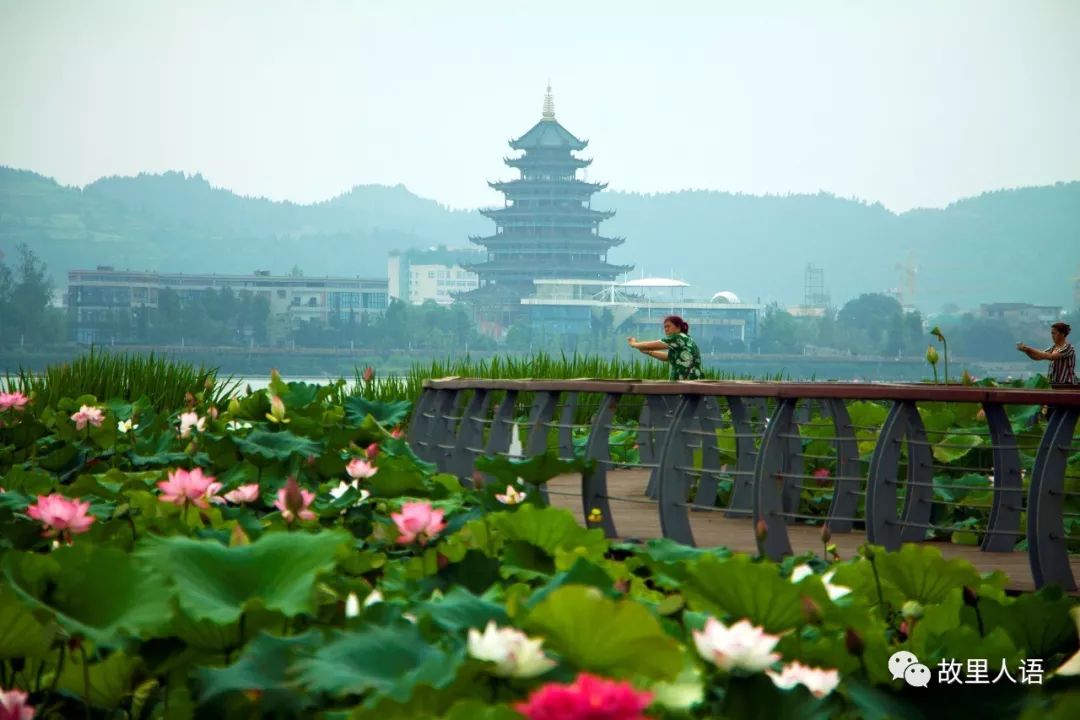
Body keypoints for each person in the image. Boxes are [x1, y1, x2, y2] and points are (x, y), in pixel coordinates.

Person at [627, 315, 703, 380]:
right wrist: (649, 352)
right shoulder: (686, 338)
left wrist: (633, 344)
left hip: (687, 381)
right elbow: (668, 357)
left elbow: (650, 345)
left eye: (668, 326)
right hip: (692, 380)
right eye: (665, 327)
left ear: (678, 327)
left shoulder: (677, 338)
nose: (666, 329)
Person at [1017, 322, 1077, 386]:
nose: (1052, 336)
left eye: (1054, 333)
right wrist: (1026, 351)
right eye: (1051, 333)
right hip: (1054, 384)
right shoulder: (1053, 348)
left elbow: (1051, 357)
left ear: (1062, 334)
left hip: (1066, 385)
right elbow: (1037, 357)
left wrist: (1028, 348)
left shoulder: (1068, 348)